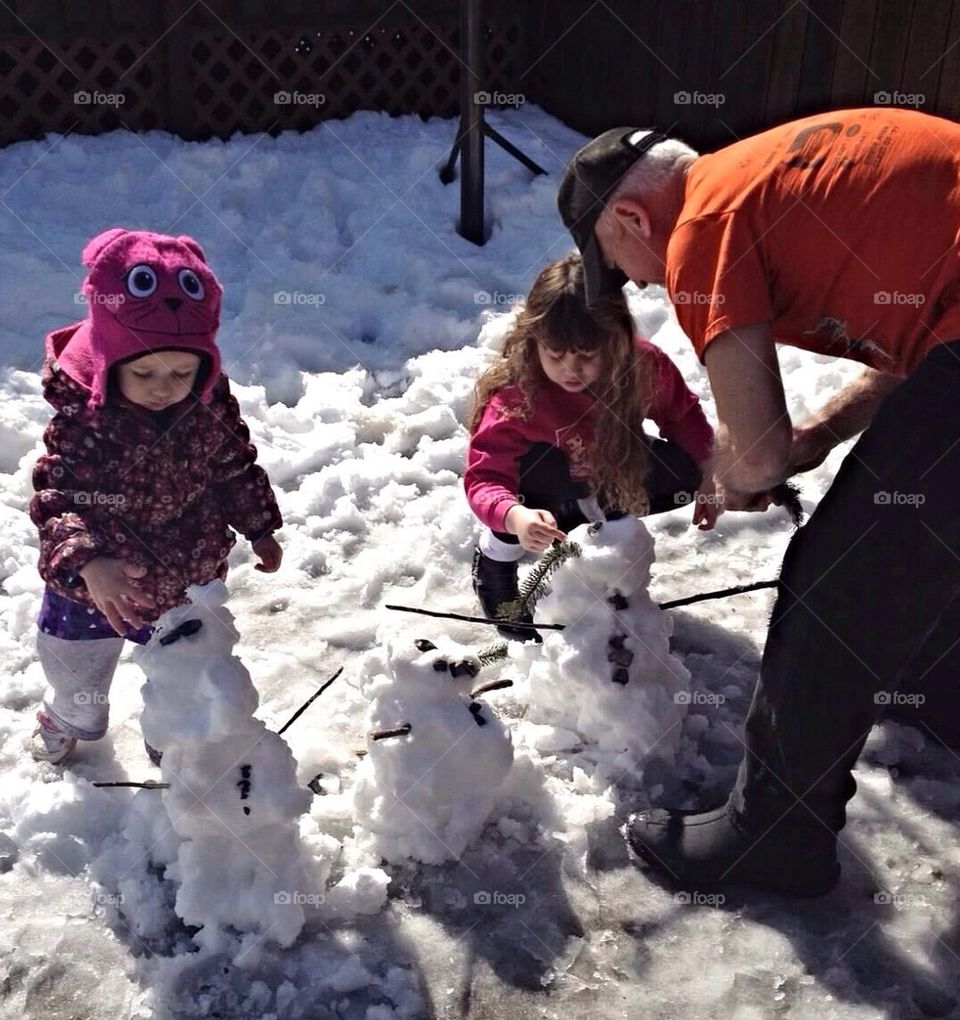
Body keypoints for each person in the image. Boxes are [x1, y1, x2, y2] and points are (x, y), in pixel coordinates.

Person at [558, 107, 960, 896]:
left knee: (840, 577)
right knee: (920, 534)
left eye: (619, 264)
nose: (639, 283)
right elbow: (931, 339)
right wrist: (822, 429)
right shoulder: (767, 178)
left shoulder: (704, 223)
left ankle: (776, 831)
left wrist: (732, 469)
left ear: (633, 216)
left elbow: (757, 454)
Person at [28, 227, 283, 766]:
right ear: (107, 362)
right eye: (143, 371)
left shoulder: (208, 402)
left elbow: (234, 463)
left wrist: (259, 525)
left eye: (182, 372)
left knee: (186, 669)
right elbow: (58, 495)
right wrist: (90, 561)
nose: (164, 385)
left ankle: (174, 736)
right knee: (78, 670)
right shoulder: (84, 418)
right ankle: (69, 717)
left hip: (185, 568)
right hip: (99, 586)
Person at [465, 252, 717, 638]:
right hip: (540, 487)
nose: (571, 370)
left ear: (613, 340)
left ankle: (595, 523)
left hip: (606, 465)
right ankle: (497, 553)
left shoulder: (640, 365)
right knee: (527, 479)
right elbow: (485, 476)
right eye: (556, 356)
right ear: (535, 342)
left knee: (683, 474)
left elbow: (682, 416)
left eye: (586, 356)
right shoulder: (518, 390)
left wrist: (709, 474)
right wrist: (513, 517)